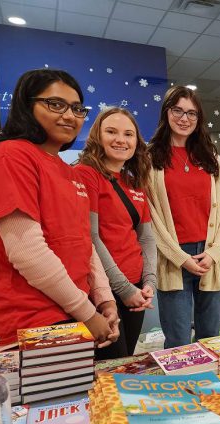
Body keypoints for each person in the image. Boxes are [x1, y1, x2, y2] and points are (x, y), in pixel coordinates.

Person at [0, 69, 118, 353]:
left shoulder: (70, 172)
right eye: (55, 104)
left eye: (78, 108)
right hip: (30, 322)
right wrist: (88, 313)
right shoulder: (9, 156)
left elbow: (84, 243)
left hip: (72, 314)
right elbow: (27, 252)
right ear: (26, 105)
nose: (69, 115)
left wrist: (104, 299)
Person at [147, 86, 220, 348]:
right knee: (178, 340)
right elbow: (149, 216)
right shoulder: (149, 158)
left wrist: (214, 253)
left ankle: (208, 388)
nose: (184, 119)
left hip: (210, 257)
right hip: (173, 259)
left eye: (192, 113)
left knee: (210, 336)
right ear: (166, 113)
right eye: (178, 111)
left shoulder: (211, 158)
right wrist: (180, 257)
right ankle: (181, 386)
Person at [75, 107, 156, 358]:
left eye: (128, 134)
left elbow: (146, 237)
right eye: (111, 132)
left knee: (126, 360)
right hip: (104, 292)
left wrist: (149, 282)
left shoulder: (134, 181)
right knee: (109, 366)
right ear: (97, 136)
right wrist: (124, 289)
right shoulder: (85, 175)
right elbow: (91, 237)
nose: (121, 140)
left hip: (136, 287)